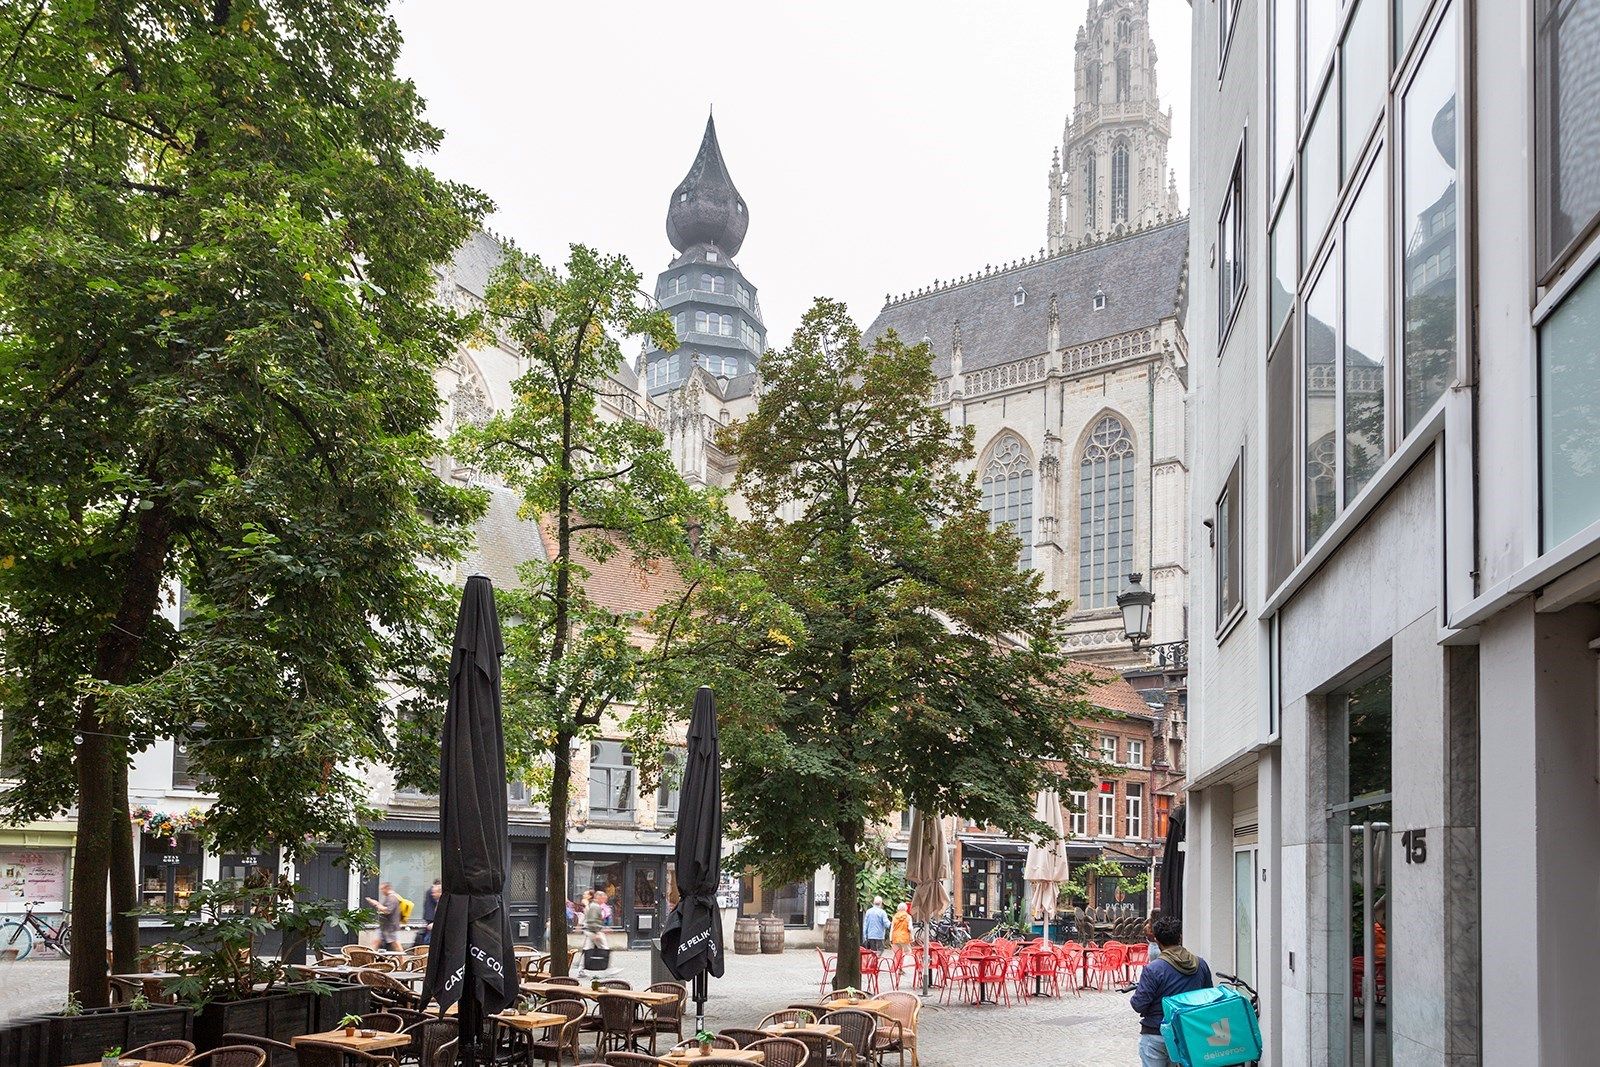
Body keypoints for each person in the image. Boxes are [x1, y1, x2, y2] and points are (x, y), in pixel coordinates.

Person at [1130, 915, 1213, 1067]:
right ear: (1180, 937)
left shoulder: (1153, 969)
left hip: (1157, 1033)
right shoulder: (1201, 964)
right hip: (1189, 1033)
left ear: (1156, 939)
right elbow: (1208, 999)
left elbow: (1139, 1005)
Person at [365, 881, 402, 951]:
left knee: (396, 945)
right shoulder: (389, 897)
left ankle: (402, 960)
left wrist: (376, 904)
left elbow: (387, 910)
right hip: (384, 926)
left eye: (382, 889)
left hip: (390, 927)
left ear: (387, 888)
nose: (381, 891)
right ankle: (369, 959)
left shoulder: (392, 898)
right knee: (375, 942)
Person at [415, 879, 442, 947]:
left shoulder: (442, 903)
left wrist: (434, 924)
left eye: (434, 892)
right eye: (432, 892)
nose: (433, 894)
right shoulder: (438, 901)